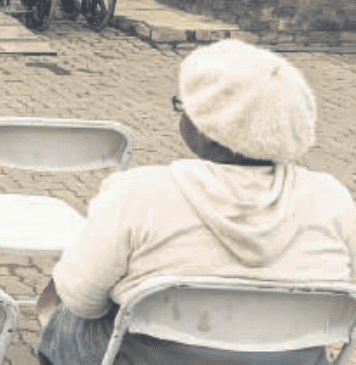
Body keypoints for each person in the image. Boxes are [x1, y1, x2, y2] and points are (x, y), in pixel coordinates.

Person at [35, 38, 356, 365]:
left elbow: (82, 300)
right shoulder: (331, 198)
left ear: (202, 129)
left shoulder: (139, 191)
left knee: (65, 317)